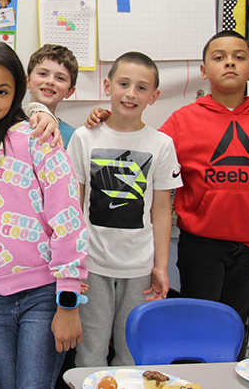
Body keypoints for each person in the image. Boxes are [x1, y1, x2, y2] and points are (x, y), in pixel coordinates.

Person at [87, 31, 249, 325]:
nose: (229, 63)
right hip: (201, 246)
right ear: (203, 71)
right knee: (196, 325)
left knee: (235, 327)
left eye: (239, 58)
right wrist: (106, 118)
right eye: (219, 57)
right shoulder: (183, 120)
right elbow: (141, 147)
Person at [0, 40, 87, 389]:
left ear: (17, 93)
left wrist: (68, 302)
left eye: (1, 91)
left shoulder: (37, 137)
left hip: (43, 294)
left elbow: (68, 219)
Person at [68, 52, 181, 367]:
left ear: (154, 96)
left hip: (139, 268)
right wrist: (71, 264)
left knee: (132, 352)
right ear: (108, 85)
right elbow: (73, 206)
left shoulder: (161, 145)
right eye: (123, 84)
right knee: (90, 350)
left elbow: (161, 210)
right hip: (92, 266)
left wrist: (160, 266)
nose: (131, 93)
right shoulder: (83, 137)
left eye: (142, 87)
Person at [26, 44, 78, 148]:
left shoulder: (74, 137)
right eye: (43, 74)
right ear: (28, 81)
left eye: (60, 78)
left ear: (69, 91)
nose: (50, 81)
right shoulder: (9, 124)